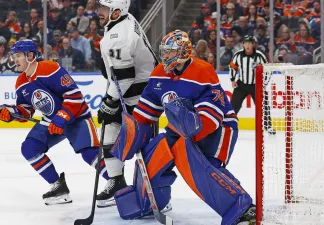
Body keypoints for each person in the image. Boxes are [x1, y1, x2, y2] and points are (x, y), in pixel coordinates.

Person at [109, 30, 256, 224]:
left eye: (170, 51)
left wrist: (188, 139)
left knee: (204, 165)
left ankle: (243, 208)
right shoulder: (159, 73)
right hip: (181, 127)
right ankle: (148, 202)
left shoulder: (203, 71)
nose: (165, 56)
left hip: (219, 126)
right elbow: (145, 113)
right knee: (154, 154)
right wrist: (133, 133)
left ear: (183, 52)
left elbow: (211, 116)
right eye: (164, 51)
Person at [0, 39, 110, 205]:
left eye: (18, 56)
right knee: (30, 147)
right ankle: (58, 187)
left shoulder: (49, 69)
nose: (14, 60)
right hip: (52, 121)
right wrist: (11, 112)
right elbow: (26, 109)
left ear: (31, 55)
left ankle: (117, 184)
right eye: (14, 56)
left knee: (89, 153)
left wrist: (61, 118)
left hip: (77, 117)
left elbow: (74, 96)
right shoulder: (21, 82)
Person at [95, 0, 158, 208]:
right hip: (139, 90)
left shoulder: (118, 35)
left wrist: (109, 101)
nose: (98, 12)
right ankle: (117, 181)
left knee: (145, 145)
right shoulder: (123, 21)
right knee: (110, 132)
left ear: (116, 11)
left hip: (139, 96)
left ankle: (155, 192)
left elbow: (124, 77)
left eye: (103, 8)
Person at [229, 35, 275, 135]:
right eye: (246, 43)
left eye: (250, 43)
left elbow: (268, 70)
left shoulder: (259, 55)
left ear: (253, 44)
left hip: (256, 85)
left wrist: (264, 83)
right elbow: (232, 67)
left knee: (264, 105)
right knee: (233, 106)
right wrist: (232, 79)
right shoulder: (238, 55)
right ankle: (229, 125)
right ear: (243, 44)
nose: (248, 45)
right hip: (241, 84)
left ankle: (268, 126)